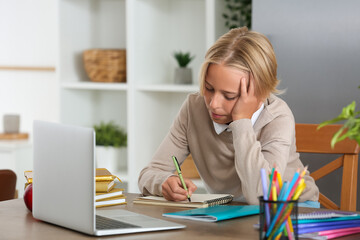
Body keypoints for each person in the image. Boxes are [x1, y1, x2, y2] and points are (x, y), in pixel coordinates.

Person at [138, 27, 319, 206]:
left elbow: (261, 196)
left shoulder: (278, 117)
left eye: (229, 96)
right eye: (209, 88)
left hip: (288, 210)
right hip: (229, 211)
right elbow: (149, 173)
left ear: (260, 93)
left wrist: (242, 122)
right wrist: (163, 182)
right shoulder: (194, 107)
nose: (213, 104)